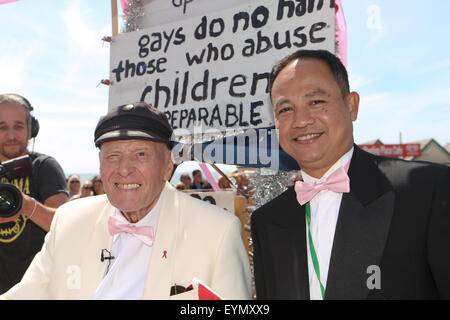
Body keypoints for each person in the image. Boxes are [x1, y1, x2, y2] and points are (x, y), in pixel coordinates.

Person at [251, 50, 450, 300]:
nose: (301, 120)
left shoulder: (427, 191)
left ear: (351, 105)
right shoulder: (267, 220)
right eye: (285, 109)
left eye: (316, 102)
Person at [2, 102, 251, 300]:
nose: (123, 169)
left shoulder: (218, 231)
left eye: (140, 154)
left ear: (167, 166)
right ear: (100, 164)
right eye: (113, 156)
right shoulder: (69, 220)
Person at [0, 93, 69, 294]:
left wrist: (27, 206)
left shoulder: (44, 167)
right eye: (2, 127)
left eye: (18, 126)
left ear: (32, 129)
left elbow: (66, 225)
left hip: (37, 291)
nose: (11, 135)